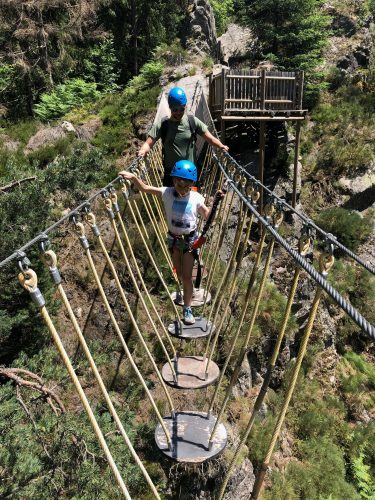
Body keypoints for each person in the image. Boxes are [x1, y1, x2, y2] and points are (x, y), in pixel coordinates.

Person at [119, 160, 223, 325]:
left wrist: (215, 204)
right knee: (180, 274)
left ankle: (187, 308)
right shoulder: (166, 192)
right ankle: (188, 290)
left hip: (190, 241)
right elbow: (145, 188)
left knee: (187, 277)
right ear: (173, 180)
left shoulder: (196, 197)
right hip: (173, 240)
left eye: (185, 183)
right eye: (177, 181)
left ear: (191, 183)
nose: (180, 185)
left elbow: (208, 216)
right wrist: (133, 178)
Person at [137, 86, 229, 186]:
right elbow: (149, 143)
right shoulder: (163, 125)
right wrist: (143, 150)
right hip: (171, 173)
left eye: (182, 109)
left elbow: (209, 137)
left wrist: (221, 146)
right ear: (170, 107)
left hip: (189, 173)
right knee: (170, 200)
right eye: (175, 109)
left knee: (190, 201)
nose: (179, 112)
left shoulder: (192, 121)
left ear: (185, 106)